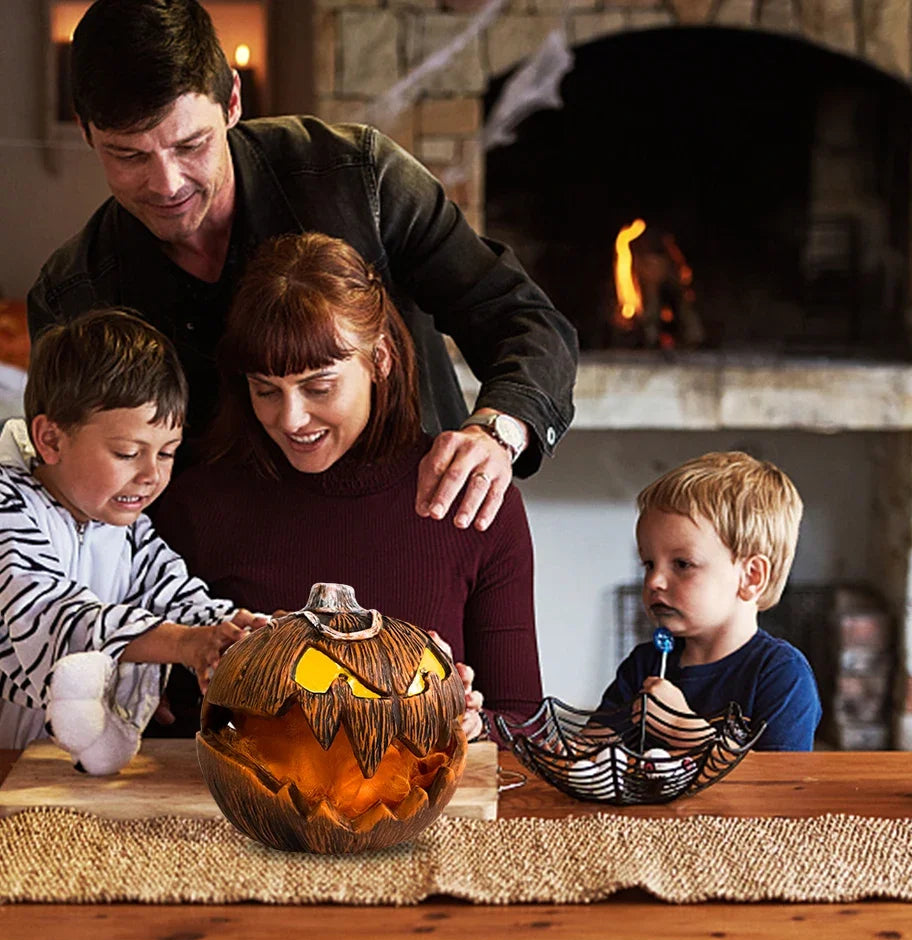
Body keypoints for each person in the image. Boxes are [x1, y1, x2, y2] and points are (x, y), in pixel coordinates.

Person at [27, 0, 578, 534]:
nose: (167, 183)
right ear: (86, 132)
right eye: (129, 156)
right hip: (216, 594)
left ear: (233, 102)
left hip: (419, 530)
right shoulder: (73, 294)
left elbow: (524, 320)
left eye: (191, 145)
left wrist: (497, 432)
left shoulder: (362, 179)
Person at [154, 233, 544, 740]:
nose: (291, 419)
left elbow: (525, 723)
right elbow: (165, 725)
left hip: (425, 808)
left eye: (319, 387)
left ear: (379, 358)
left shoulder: (471, 497)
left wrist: (470, 725)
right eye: (266, 390)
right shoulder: (194, 507)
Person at [0, 308, 268, 773]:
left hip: (58, 772)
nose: (151, 475)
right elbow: (51, 616)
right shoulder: (7, 506)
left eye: (167, 453)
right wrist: (183, 643)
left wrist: (237, 634)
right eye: (127, 453)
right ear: (50, 439)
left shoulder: (127, 526)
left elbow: (177, 597)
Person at [596, 451, 822, 751]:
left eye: (682, 564)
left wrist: (681, 728)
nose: (654, 581)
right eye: (649, 564)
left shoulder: (782, 675)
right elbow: (591, 748)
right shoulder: (643, 665)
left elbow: (778, 786)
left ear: (751, 577)